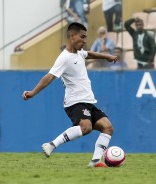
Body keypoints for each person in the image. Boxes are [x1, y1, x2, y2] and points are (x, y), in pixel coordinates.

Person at [22, 22, 117, 168]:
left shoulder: (79, 53)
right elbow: (50, 76)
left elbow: (89, 54)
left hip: (88, 101)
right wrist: (33, 92)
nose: (85, 41)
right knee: (86, 127)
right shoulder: (64, 58)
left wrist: (106, 56)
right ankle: (52, 145)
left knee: (108, 127)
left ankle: (95, 162)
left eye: (86, 38)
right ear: (72, 36)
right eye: (82, 37)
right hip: (75, 102)